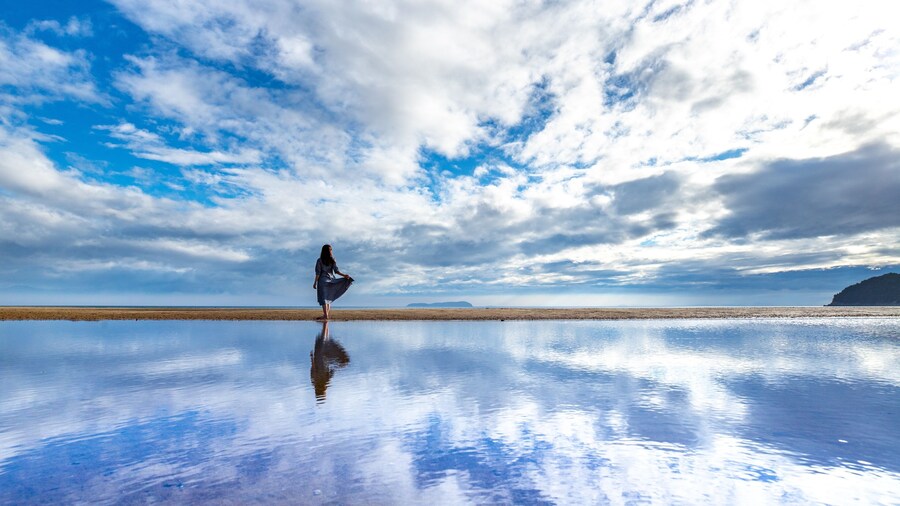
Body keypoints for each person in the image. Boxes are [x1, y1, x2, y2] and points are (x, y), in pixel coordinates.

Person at [313, 244, 353, 320]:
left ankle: (325, 315)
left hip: (322, 281)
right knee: (328, 298)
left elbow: (318, 273)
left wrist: (315, 283)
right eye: (330, 249)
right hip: (331, 281)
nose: (331, 251)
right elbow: (336, 271)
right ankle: (326, 315)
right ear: (328, 251)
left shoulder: (319, 260)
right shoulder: (332, 260)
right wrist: (344, 275)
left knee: (324, 299)